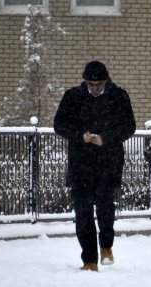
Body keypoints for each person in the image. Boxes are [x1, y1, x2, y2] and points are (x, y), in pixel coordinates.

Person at [54, 61, 136, 272]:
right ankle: (89, 260)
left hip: (109, 162)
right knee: (83, 213)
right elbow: (60, 124)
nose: (95, 88)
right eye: (91, 84)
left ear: (106, 81)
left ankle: (106, 245)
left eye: (99, 85)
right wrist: (80, 136)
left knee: (105, 207)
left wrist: (105, 139)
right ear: (85, 82)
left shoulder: (119, 97)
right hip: (81, 163)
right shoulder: (73, 97)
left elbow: (129, 127)